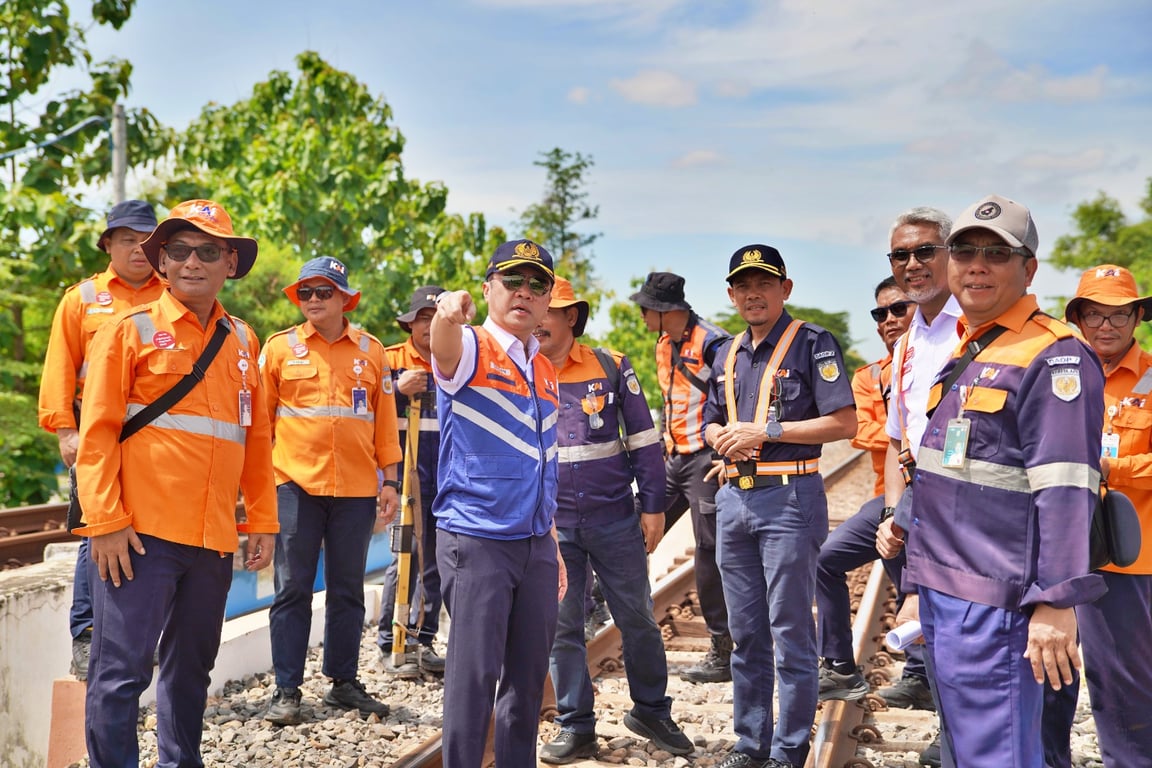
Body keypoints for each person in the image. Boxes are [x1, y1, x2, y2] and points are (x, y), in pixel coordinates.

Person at [902, 194, 1106, 766]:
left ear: (1029, 269)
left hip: (1000, 604)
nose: (977, 265)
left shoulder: (1054, 356)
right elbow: (944, 481)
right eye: (965, 251)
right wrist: (917, 584)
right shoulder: (974, 346)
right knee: (968, 752)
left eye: (997, 254)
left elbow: (1067, 489)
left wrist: (1057, 603)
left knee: (999, 754)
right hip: (949, 592)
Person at [74, 199, 278, 767]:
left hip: (212, 539)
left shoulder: (243, 342)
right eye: (179, 250)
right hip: (139, 537)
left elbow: (255, 439)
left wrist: (261, 518)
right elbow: (96, 440)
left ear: (230, 263)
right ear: (161, 260)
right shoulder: (126, 331)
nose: (193, 262)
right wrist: (107, 525)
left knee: (191, 672)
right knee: (121, 673)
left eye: (208, 251)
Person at [704, 245, 857, 768]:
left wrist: (765, 431)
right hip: (734, 498)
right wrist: (719, 437)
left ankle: (788, 752)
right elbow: (708, 419)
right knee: (745, 634)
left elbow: (844, 423)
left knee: (790, 630)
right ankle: (750, 747)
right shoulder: (724, 352)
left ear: (785, 289)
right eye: (743, 285)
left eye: (764, 283)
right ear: (731, 294)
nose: (753, 293)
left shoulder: (813, 344)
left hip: (789, 497)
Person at [535, 277, 693, 763]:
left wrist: (652, 507)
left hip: (613, 520)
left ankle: (651, 709)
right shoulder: (520, 372)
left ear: (571, 319)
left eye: (551, 311)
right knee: (563, 627)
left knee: (638, 617)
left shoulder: (611, 367)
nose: (539, 320)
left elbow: (646, 441)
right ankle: (575, 724)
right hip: (554, 524)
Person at [430, 239, 566, 768]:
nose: (524, 293)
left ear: (548, 299)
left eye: (537, 284)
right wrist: (446, 312)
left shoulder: (545, 369)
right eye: (513, 281)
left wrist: (551, 543)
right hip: (478, 537)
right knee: (473, 681)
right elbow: (442, 345)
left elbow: (545, 463)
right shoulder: (470, 347)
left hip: (533, 543)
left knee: (528, 680)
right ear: (489, 288)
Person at [259, 256, 402, 725]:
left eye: (324, 292)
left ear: (345, 298)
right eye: (306, 293)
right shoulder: (279, 349)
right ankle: (287, 689)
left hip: (357, 490)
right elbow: (260, 425)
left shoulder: (371, 350)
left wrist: (391, 480)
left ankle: (343, 683)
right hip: (295, 486)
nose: (314, 300)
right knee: (292, 589)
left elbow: (384, 423)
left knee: (347, 590)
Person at [38, 200, 164, 681]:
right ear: (108, 243)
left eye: (146, 241)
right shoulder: (82, 299)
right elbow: (59, 367)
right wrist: (65, 430)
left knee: (151, 533)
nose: (138, 249)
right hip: (97, 439)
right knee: (97, 531)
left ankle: (136, 635)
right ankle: (88, 634)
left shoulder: (171, 296)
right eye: (127, 239)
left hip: (157, 445)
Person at [1063, 265, 1152, 767]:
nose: (1106, 326)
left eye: (1119, 314)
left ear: (1137, 317)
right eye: (1094, 314)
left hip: (1129, 556)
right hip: (1065, 544)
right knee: (1082, 670)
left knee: (1123, 678)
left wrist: (1108, 467)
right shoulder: (1061, 371)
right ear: (1077, 317)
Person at [630, 271, 733, 683]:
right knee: (636, 525)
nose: (640, 316)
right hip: (672, 457)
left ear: (661, 310)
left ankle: (723, 647)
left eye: (644, 309)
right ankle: (608, 605)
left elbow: (733, 400)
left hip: (706, 458)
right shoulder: (661, 344)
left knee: (708, 551)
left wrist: (727, 456)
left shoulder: (712, 342)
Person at [815, 276, 912, 701]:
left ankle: (924, 682)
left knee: (920, 590)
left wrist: (897, 435)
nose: (889, 319)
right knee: (827, 560)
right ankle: (838, 664)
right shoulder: (871, 376)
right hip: (886, 498)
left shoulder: (949, 360)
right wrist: (905, 436)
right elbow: (859, 428)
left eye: (898, 309)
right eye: (880, 313)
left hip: (940, 497)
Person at [377, 285, 447, 678]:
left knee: (435, 560)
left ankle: (423, 639)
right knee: (402, 557)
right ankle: (391, 641)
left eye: (438, 319)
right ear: (411, 322)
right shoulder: (388, 360)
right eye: (424, 318)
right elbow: (367, 409)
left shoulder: (456, 361)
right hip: (404, 478)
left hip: (446, 476)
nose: (430, 326)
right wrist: (397, 391)